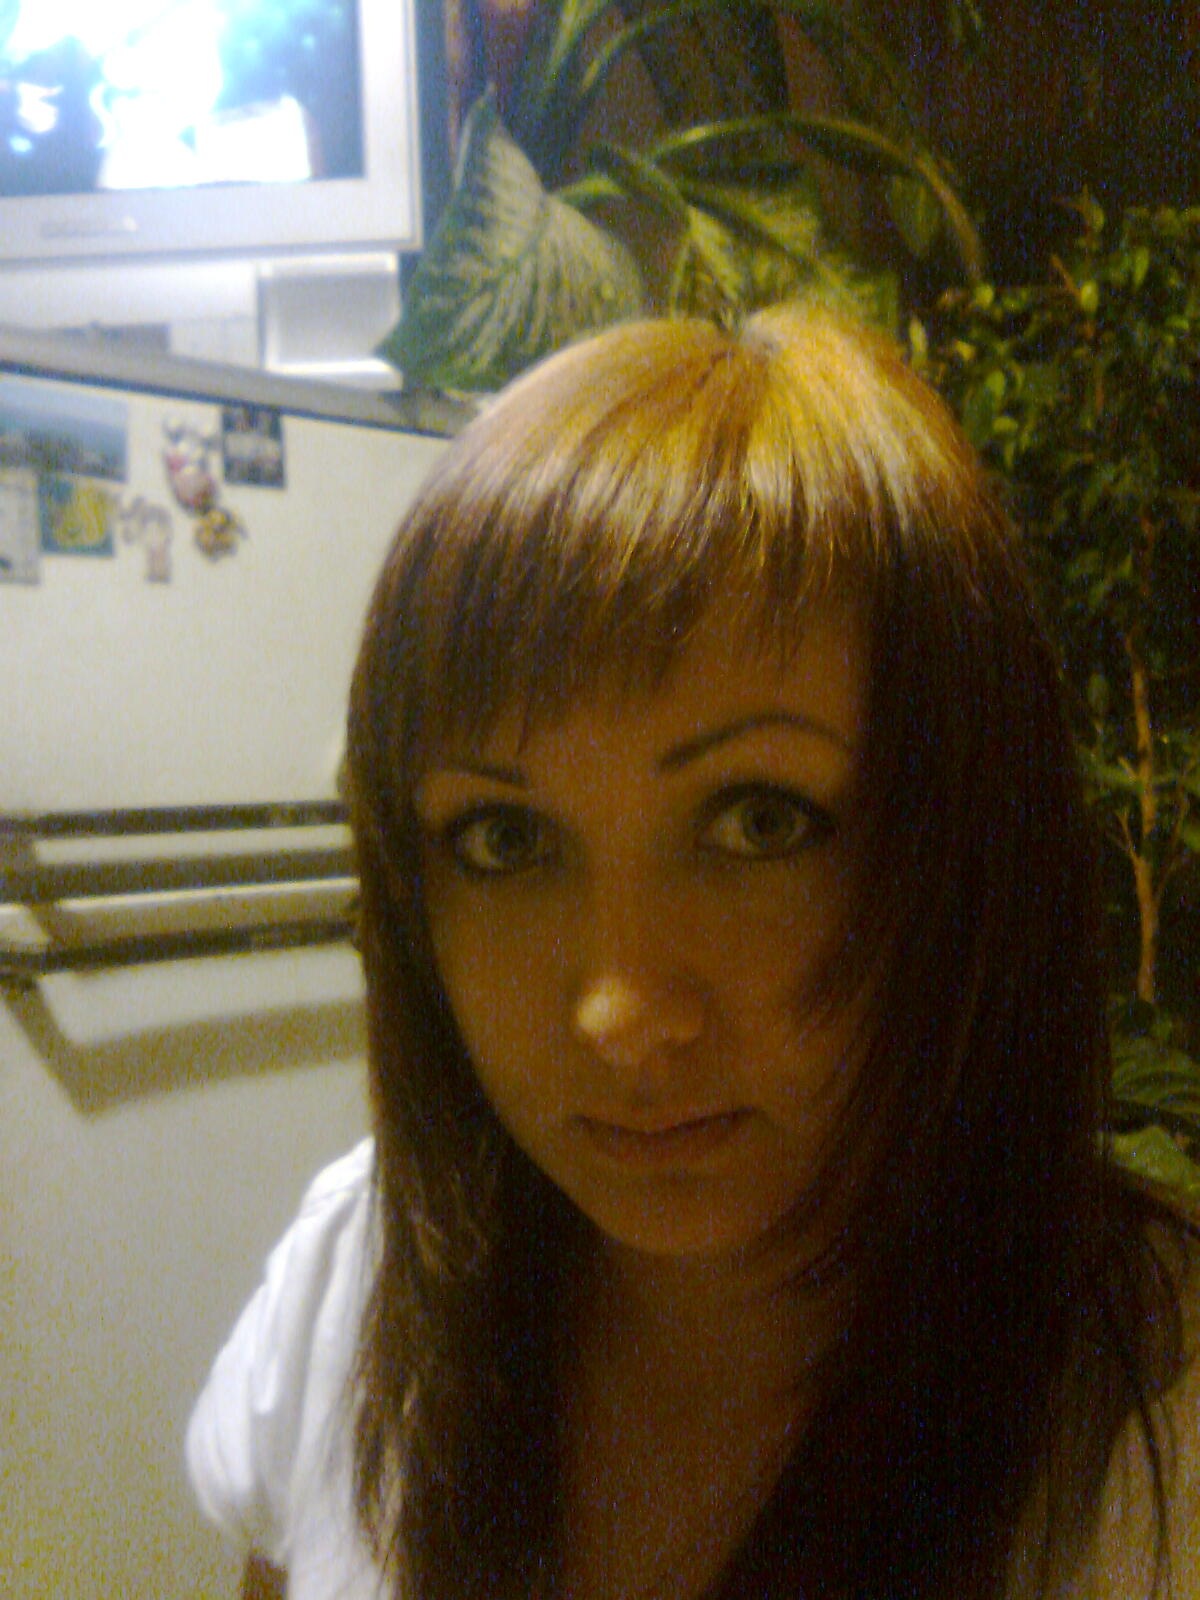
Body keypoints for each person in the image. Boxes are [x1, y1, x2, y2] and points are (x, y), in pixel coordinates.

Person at [187, 304, 1200, 1600]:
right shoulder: (364, 1269)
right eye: (504, 840)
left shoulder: (1154, 1409)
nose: (618, 1012)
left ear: (962, 842)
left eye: (759, 822)